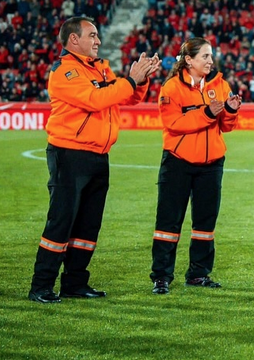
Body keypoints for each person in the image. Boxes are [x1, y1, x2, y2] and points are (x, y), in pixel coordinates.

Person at [29, 16, 160, 303]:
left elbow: (127, 98)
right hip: (69, 155)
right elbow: (95, 100)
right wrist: (129, 79)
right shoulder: (64, 71)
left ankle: (75, 283)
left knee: (88, 226)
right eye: (92, 35)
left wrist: (141, 80)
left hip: (99, 155)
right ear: (74, 40)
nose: (98, 41)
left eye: (98, 35)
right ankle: (41, 286)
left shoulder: (100, 68)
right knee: (61, 223)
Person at [149, 37, 241, 295]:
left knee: (205, 224)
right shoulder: (171, 88)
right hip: (178, 163)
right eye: (205, 57)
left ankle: (198, 274)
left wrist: (231, 111)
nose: (211, 61)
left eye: (211, 56)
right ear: (189, 60)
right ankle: (161, 277)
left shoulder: (220, 85)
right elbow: (174, 124)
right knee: (168, 222)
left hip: (212, 165)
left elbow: (225, 127)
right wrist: (207, 114)